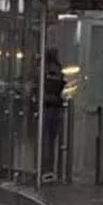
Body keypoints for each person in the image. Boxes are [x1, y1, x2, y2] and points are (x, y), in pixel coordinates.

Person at [42, 49, 66, 182]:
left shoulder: (47, 71)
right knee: (52, 140)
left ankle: (47, 168)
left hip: (49, 108)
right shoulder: (58, 70)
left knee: (47, 139)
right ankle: (51, 168)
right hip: (55, 107)